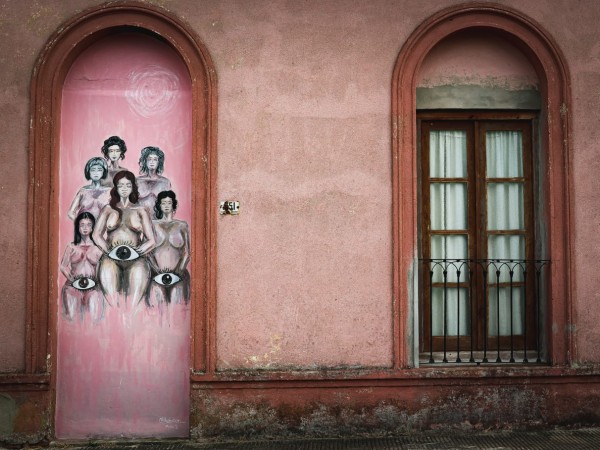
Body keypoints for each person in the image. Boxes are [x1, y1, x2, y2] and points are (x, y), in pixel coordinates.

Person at [92, 170, 156, 309]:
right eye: (121, 185)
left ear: (133, 187)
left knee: (133, 303)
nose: (124, 188)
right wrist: (108, 251)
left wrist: (139, 252)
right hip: (110, 258)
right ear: (116, 188)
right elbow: (96, 235)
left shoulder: (141, 210)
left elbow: (151, 240)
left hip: (137, 259)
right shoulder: (108, 209)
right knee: (112, 302)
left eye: (128, 185)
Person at [59, 212, 104, 322]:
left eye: (89, 224)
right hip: (72, 287)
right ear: (77, 227)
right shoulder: (71, 246)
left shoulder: (99, 248)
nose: (85, 228)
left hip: (93, 288)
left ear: (93, 227)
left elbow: (103, 269)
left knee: (95, 320)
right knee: (71, 320)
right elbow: (63, 266)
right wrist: (71, 279)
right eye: (82, 225)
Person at [149, 191, 190, 305]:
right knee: (158, 307)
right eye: (163, 203)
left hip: (179, 275)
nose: (166, 205)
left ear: (173, 205)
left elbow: (187, 253)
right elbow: (148, 253)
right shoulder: (153, 225)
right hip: (156, 276)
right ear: (159, 205)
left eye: (169, 203)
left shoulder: (182, 225)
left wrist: (178, 272)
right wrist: (156, 270)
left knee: (178, 306)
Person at [136, 146, 171, 217]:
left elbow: (169, 204)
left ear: (159, 162)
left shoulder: (165, 182)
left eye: (155, 159)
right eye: (149, 159)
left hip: (159, 220)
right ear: (145, 161)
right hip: (140, 220)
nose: (152, 162)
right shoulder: (137, 181)